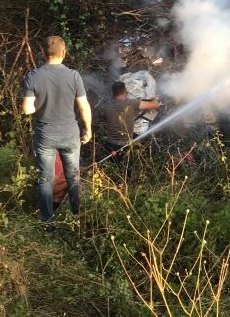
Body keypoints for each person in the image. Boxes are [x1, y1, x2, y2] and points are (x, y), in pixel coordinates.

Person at [21, 36, 92, 224]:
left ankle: (48, 223)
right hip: (70, 135)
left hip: (45, 136)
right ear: (64, 53)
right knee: (73, 177)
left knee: (45, 179)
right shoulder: (74, 76)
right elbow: (84, 107)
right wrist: (88, 129)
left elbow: (27, 109)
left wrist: (42, 105)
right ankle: (77, 217)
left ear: (43, 53)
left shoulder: (33, 76)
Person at [101, 81, 160, 161]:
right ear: (125, 91)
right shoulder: (131, 103)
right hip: (123, 147)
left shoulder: (106, 105)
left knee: (112, 167)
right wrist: (155, 98)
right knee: (126, 170)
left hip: (109, 145)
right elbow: (155, 104)